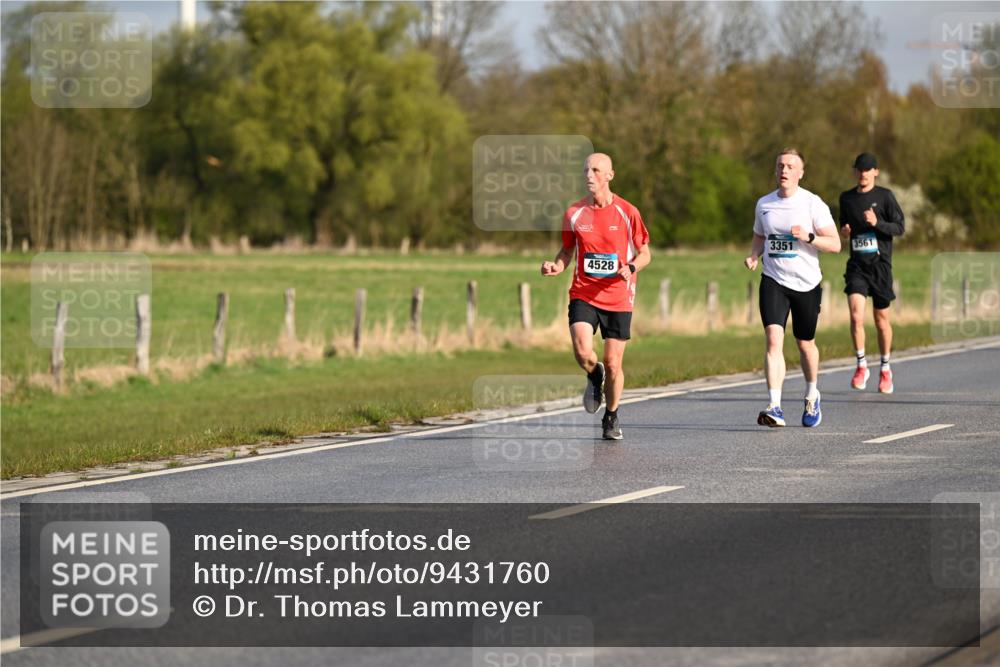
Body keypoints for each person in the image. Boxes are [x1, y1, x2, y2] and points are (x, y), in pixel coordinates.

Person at [541, 153, 650, 440]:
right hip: (584, 293)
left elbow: (645, 253)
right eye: (586, 170)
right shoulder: (574, 213)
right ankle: (593, 374)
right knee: (582, 350)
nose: (589, 175)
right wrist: (556, 265)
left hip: (618, 296)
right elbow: (566, 252)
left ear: (610, 175)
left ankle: (611, 416)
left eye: (596, 170)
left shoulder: (628, 212)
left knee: (614, 363)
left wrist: (631, 267)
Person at [744, 148, 841, 427]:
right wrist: (754, 255)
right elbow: (760, 235)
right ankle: (775, 405)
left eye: (790, 166)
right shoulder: (764, 204)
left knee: (804, 343)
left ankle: (812, 393)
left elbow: (834, 244)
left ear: (800, 173)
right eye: (780, 166)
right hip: (773, 279)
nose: (784, 170)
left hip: (806, 284)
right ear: (775, 171)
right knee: (774, 340)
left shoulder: (813, 204)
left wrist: (809, 236)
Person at [839, 153, 905, 394]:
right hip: (857, 266)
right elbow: (843, 228)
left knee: (881, 320)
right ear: (855, 172)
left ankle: (885, 369)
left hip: (881, 267)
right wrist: (845, 231)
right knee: (856, 316)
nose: (863, 174)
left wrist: (877, 223)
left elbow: (900, 227)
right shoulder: (846, 198)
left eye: (868, 170)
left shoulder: (885, 197)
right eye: (859, 169)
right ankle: (861, 365)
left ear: (875, 172)